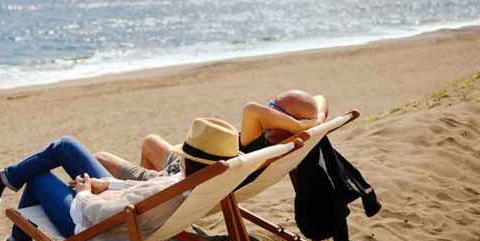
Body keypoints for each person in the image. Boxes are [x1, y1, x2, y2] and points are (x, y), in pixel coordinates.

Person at [0, 117, 239, 241]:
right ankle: (0, 185)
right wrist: (108, 184)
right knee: (65, 145)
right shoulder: (198, 183)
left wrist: (84, 192)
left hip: (94, 227)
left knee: (40, 178)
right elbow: (150, 187)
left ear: (189, 160)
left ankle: (17, 239)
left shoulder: (177, 187)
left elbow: (102, 215)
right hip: (121, 208)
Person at [95, 90, 328, 182]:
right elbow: (320, 99)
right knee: (151, 141)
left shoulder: (255, 142)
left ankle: (148, 200)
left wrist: (298, 124)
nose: (269, 106)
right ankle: (153, 186)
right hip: (206, 176)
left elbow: (251, 109)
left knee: (99, 157)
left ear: (279, 120)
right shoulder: (282, 145)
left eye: (273, 106)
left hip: (186, 179)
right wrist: (314, 121)